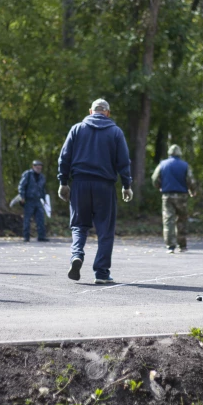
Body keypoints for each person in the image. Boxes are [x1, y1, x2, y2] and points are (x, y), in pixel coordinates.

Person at [57, 98, 133, 284]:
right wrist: (126, 185)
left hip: (80, 184)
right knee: (105, 230)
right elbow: (123, 162)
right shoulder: (115, 132)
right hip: (104, 186)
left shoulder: (77, 129)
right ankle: (101, 273)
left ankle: (77, 255)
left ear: (91, 111)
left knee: (79, 225)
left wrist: (63, 182)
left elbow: (64, 157)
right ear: (107, 112)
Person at [152, 145, 196, 253]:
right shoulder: (185, 165)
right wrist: (192, 190)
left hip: (167, 196)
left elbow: (154, 178)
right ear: (179, 153)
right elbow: (190, 180)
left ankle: (170, 246)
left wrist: (159, 187)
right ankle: (182, 246)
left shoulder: (163, 164)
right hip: (182, 196)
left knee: (168, 220)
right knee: (181, 220)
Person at [17, 160, 49, 242]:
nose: (38, 168)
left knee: (40, 218)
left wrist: (44, 199)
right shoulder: (27, 174)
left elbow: (43, 189)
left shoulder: (42, 177)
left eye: (40, 167)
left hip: (38, 200)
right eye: (37, 166)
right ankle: (26, 237)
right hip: (29, 200)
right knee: (27, 219)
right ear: (33, 166)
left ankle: (41, 236)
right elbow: (21, 186)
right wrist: (22, 196)